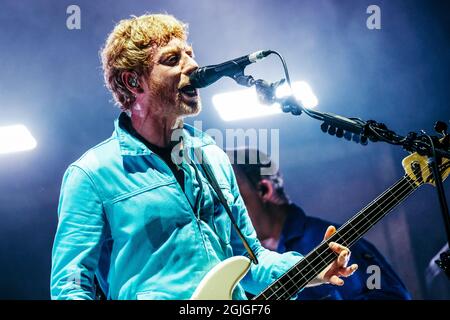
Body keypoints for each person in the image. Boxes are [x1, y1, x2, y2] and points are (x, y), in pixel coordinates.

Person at [50, 13, 357, 300]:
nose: (192, 66)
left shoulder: (211, 156)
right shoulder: (92, 174)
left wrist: (309, 269)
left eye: (190, 54)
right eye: (172, 60)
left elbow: (252, 260)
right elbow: (70, 283)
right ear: (133, 82)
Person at [230, 147, 411, 300]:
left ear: (264, 190)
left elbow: (392, 296)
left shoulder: (338, 241)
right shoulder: (237, 267)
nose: (224, 210)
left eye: (233, 196)